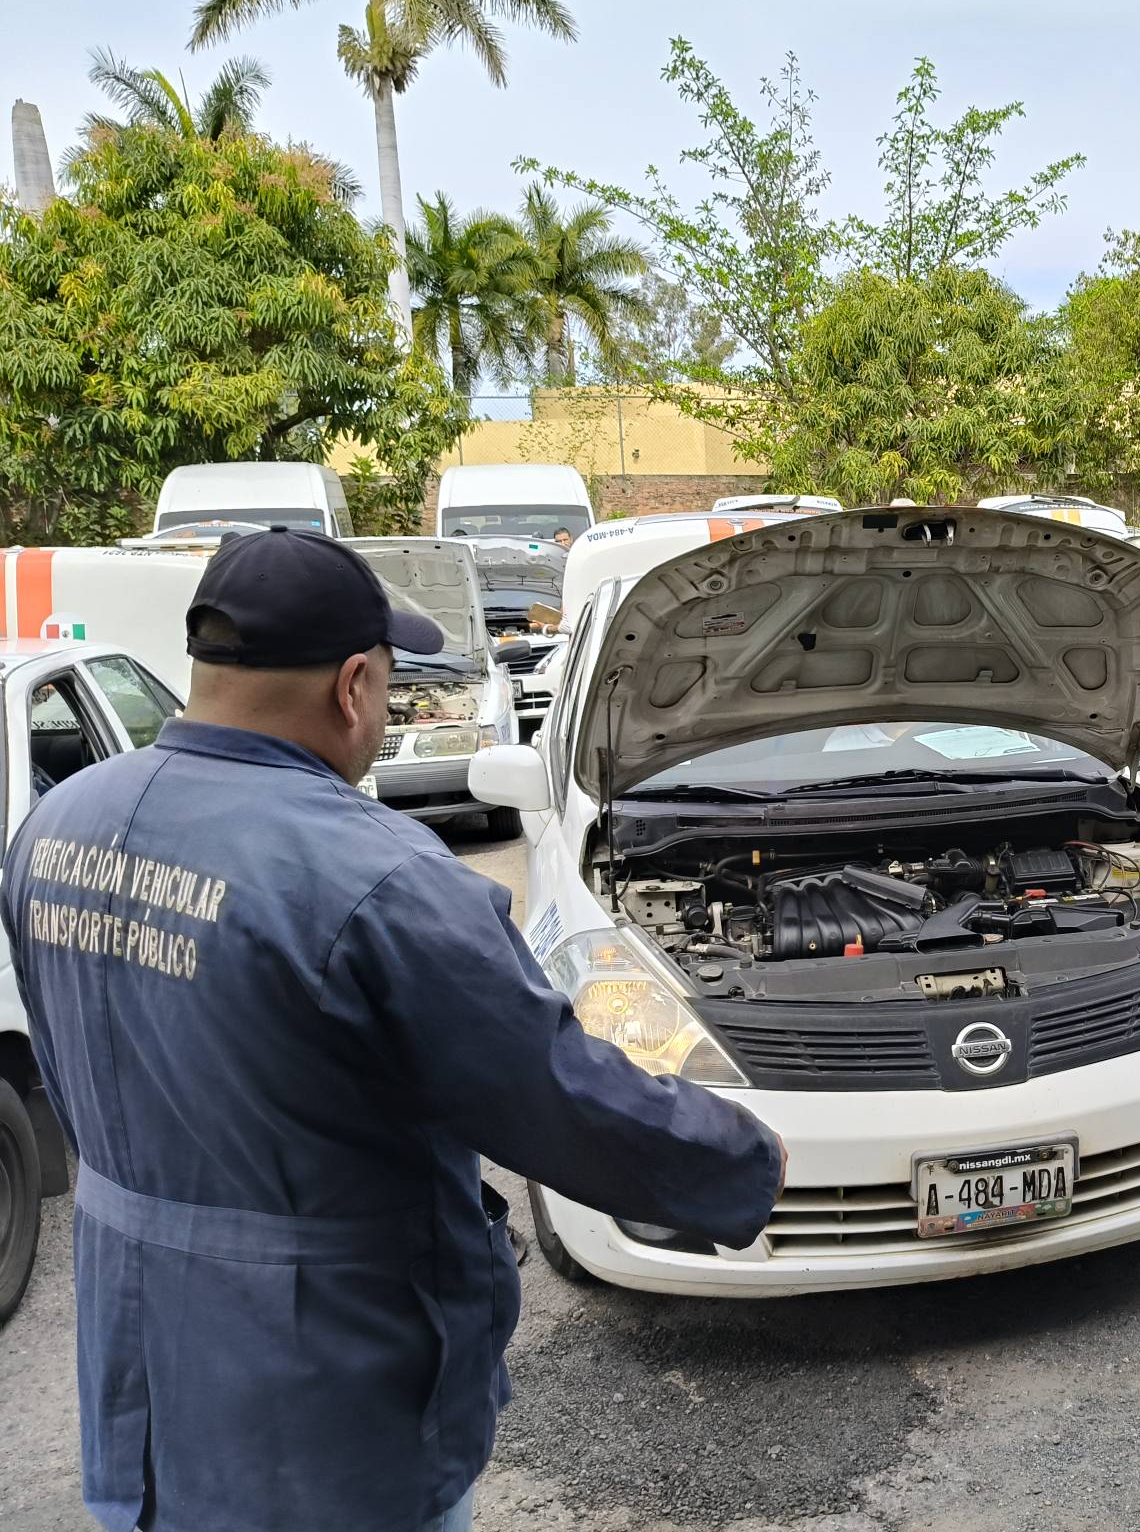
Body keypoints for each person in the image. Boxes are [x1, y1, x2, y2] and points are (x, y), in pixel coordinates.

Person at [2, 527, 785, 1532]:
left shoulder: (57, 829)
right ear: (355, 683)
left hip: (139, 1382)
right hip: (325, 1410)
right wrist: (746, 1159)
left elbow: (73, 1079)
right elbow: (551, 1098)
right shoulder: (377, 879)